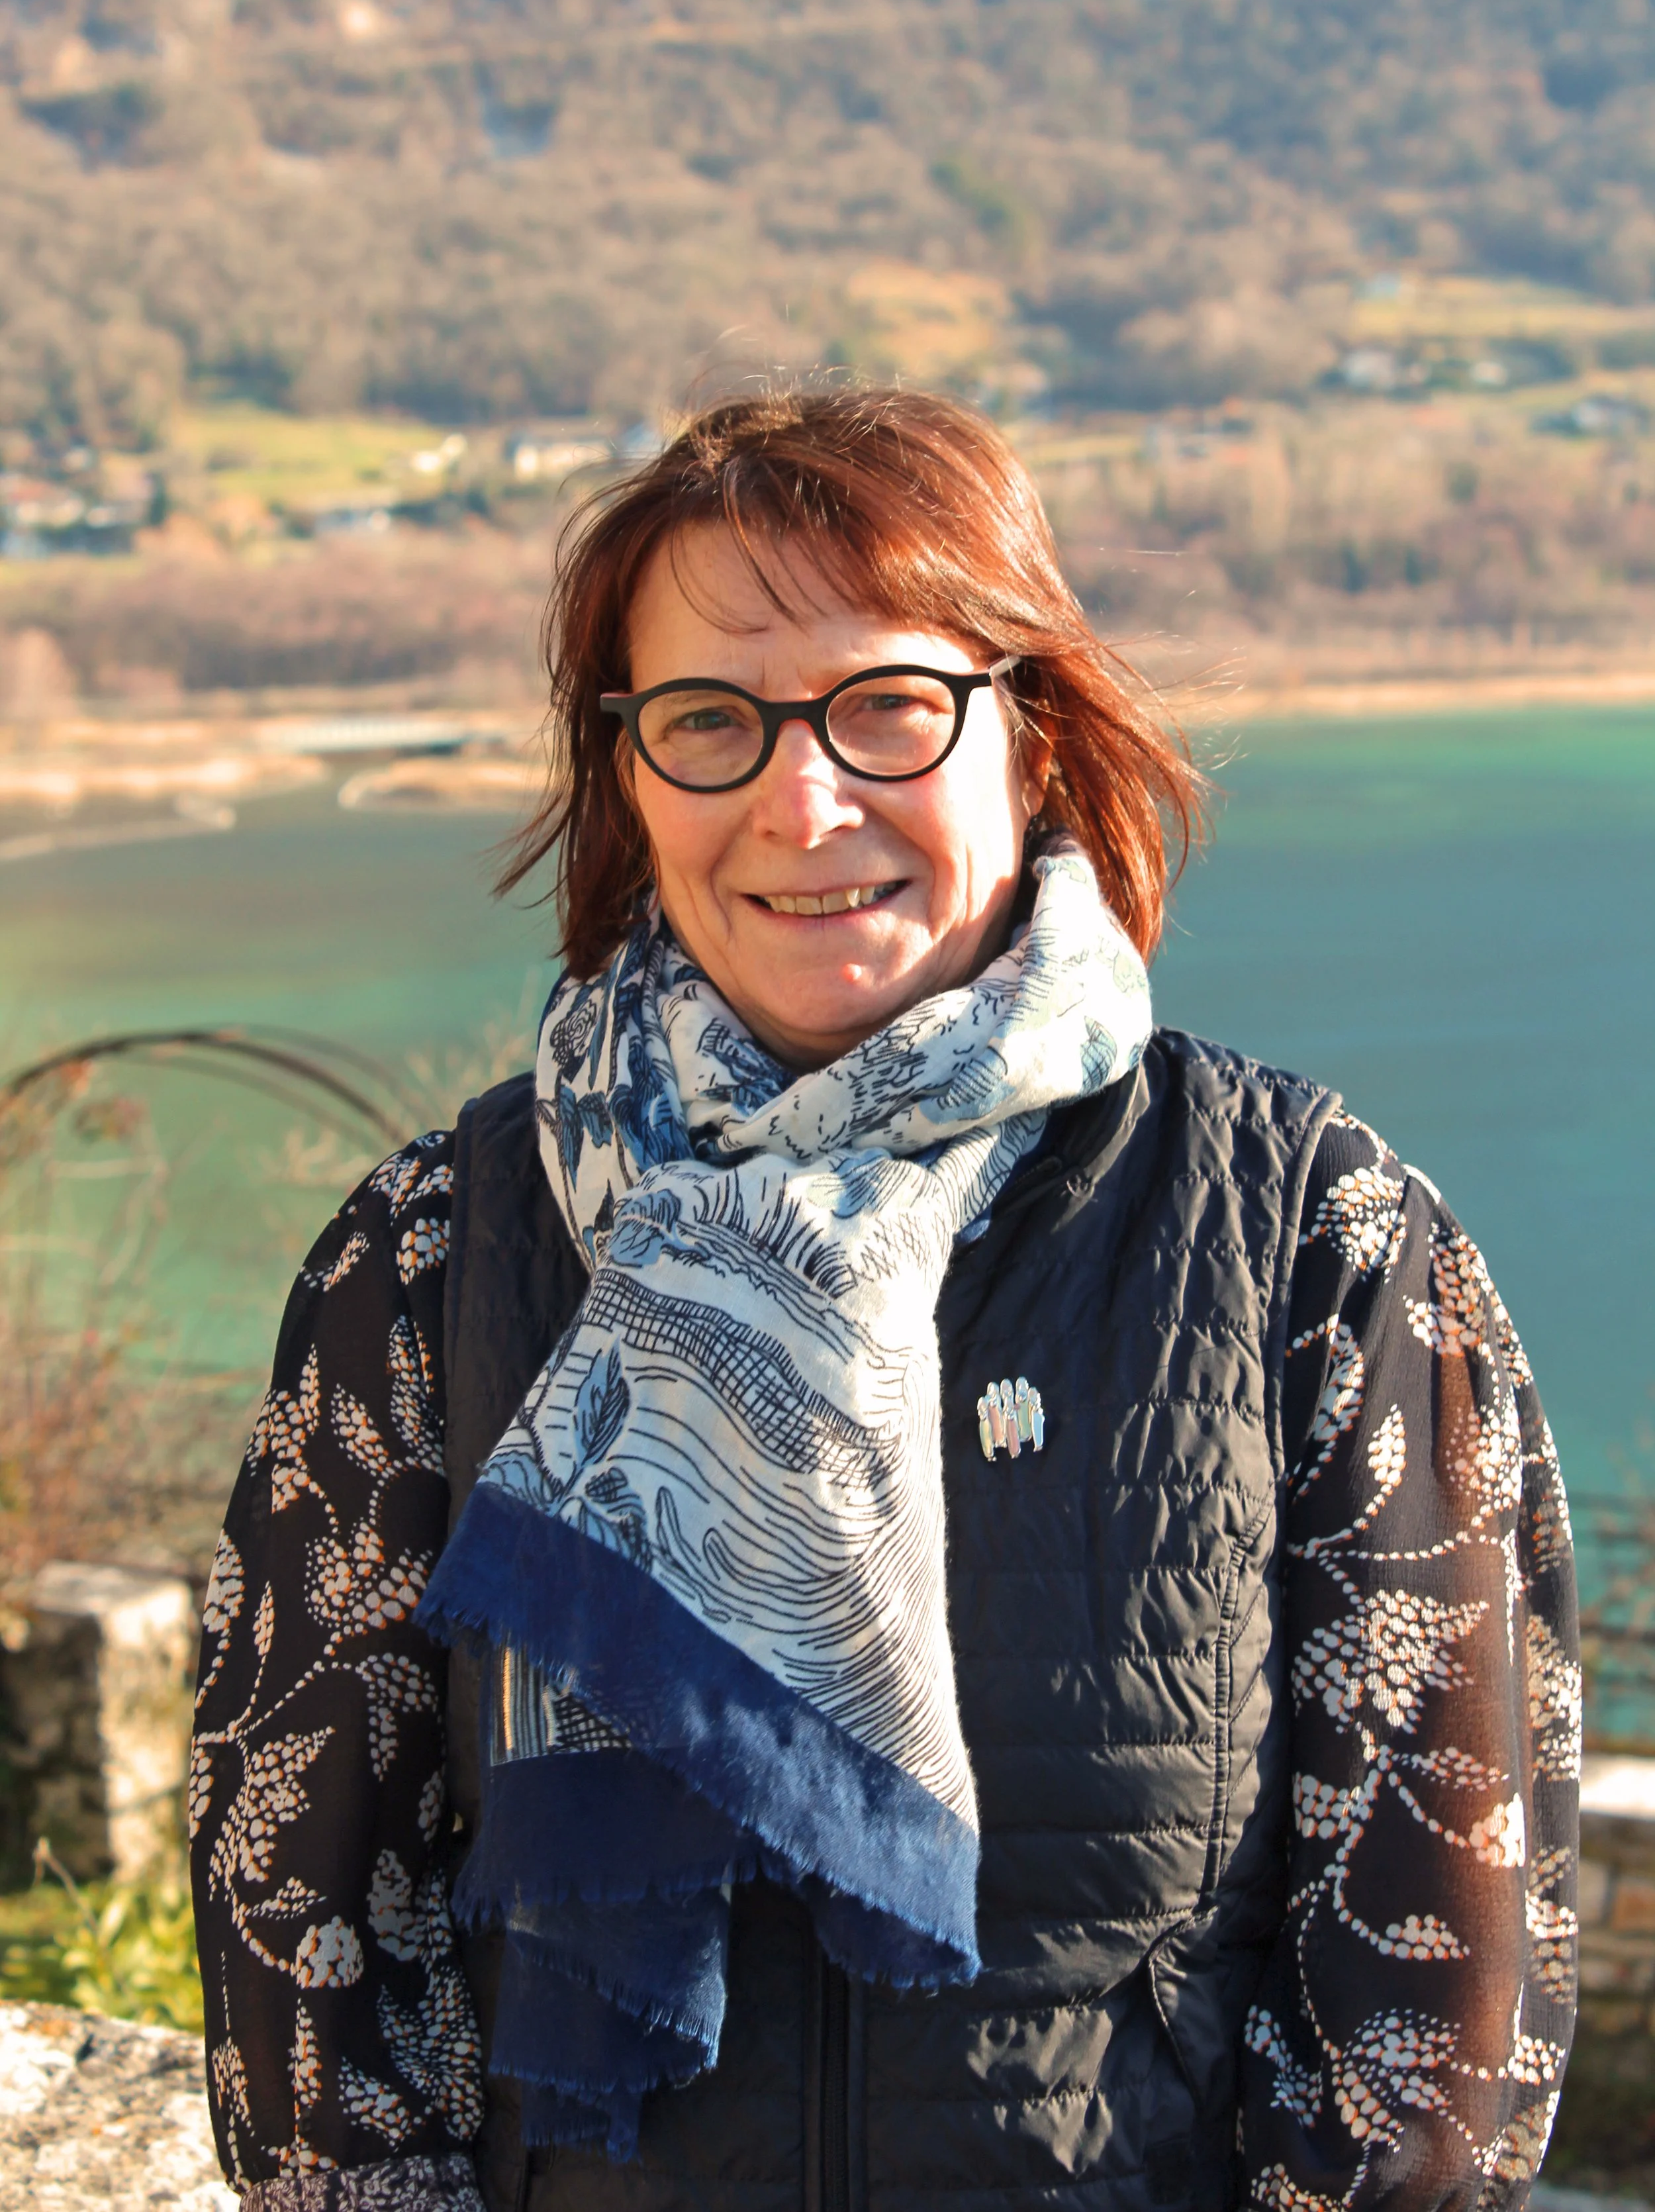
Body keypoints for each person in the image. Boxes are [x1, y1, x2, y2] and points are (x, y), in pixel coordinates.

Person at [190, 387, 1579, 2212]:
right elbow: (301, 1919)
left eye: (886, 706)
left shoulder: (1307, 1238)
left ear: (1039, 735)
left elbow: (1440, 1983)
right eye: (709, 719)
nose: (801, 794)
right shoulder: (440, 1252)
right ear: (626, 772)